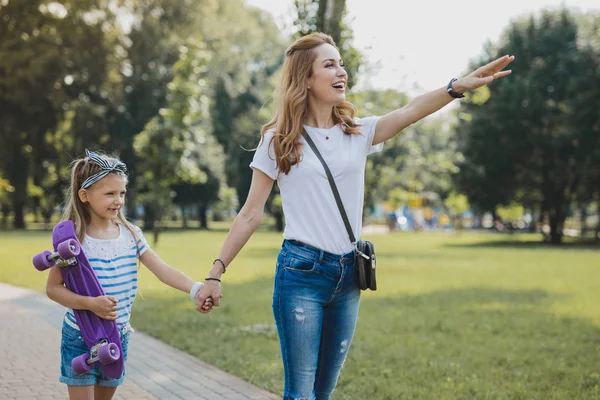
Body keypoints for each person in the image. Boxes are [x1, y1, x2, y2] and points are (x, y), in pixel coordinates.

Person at [195, 32, 514, 399]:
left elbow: (410, 111)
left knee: (324, 392)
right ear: (306, 79)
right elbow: (250, 214)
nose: (340, 71)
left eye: (341, 63)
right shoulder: (279, 140)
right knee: (301, 394)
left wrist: (456, 87)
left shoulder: (357, 132)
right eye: (329, 64)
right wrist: (215, 274)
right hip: (300, 274)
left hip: (349, 276)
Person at [45, 149, 212, 400]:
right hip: (80, 335)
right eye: (110, 193)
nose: (118, 200)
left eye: (122, 193)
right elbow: (53, 288)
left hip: (117, 335)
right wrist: (91, 304)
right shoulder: (73, 240)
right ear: (84, 195)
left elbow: (162, 269)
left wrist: (196, 289)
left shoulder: (131, 233)